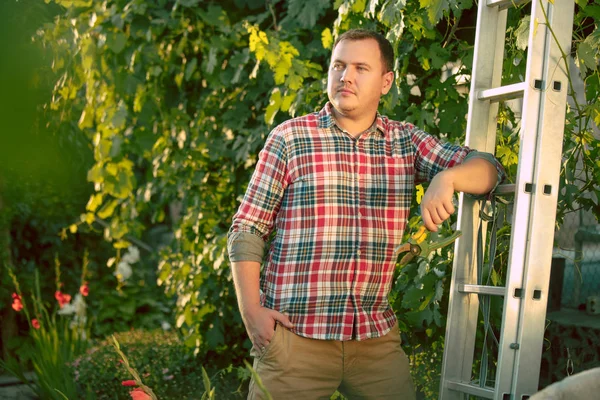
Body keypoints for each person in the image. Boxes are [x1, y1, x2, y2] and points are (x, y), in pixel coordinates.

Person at [227, 29, 505, 399]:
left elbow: (489, 170)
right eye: (339, 66)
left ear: (385, 81)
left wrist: (448, 178)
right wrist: (252, 314)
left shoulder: (405, 142)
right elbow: (247, 228)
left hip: (373, 340)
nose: (346, 76)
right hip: (295, 339)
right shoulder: (290, 138)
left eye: (361, 67)